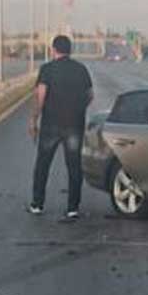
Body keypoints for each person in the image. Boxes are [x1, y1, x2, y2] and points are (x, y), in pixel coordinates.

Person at [28, 35, 94, 221]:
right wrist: (77, 109)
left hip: (51, 124)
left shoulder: (47, 69)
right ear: (70, 50)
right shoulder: (81, 70)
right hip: (74, 125)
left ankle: (37, 204)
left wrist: (34, 120)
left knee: (43, 164)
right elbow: (90, 96)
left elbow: (41, 96)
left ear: (54, 49)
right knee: (74, 167)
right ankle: (73, 208)